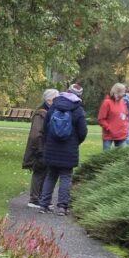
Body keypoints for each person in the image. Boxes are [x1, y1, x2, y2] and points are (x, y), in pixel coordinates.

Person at [39, 83, 88, 216]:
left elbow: (45, 127)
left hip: (52, 147)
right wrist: (76, 142)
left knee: (50, 176)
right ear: (79, 95)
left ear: (66, 91)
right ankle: (62, 207)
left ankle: (43, 205)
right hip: (69, 149)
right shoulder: (78, 110)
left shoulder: (54, 105)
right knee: (66, 177)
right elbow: (83, 132)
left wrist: (48, 142)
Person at [22, 89, 59, 208]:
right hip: (40, 148)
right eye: (56, 99)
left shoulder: (49, 111)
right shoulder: (41, 113)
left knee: (46, 172)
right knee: (39, 172)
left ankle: (42, 198)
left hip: (45, 147)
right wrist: (39, 150)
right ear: (49, 100)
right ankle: (34, 199)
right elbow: (35, 134)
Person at [98, 83, 129, 150]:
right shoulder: (107, 103)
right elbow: (101, 119)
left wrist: (125, 128)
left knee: (122, 157)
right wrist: (109, 128)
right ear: (117, 91)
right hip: (109, 135)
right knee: (107, 157)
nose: (124, 93)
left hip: (121, 135)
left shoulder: (123, 102)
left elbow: (125, 116)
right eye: (123, 91)